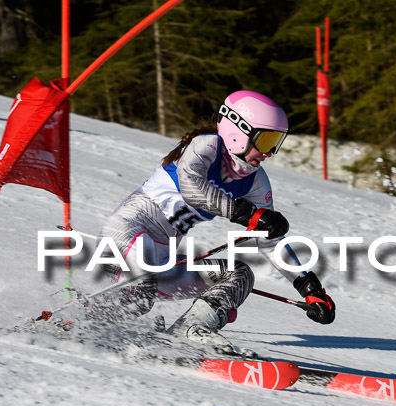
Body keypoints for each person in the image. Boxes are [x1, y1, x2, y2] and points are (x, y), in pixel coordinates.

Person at [95, 90, 335, 348]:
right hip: (124, 235)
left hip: (160, 262)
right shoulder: (206, 146)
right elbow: (192, 187)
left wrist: (309, 288)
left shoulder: (255, 181)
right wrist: (248, 214)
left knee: (238, 275)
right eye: (265, 141)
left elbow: (271, 243)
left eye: (276, 143)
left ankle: (191, 329)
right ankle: (92, 324)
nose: (269, 153)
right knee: (144, 283)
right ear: (238, 131)